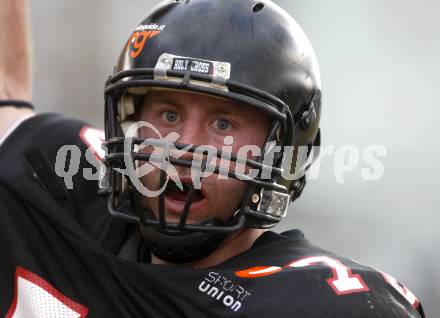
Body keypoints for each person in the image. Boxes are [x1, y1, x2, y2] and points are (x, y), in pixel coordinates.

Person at [0, 0, 425, 317]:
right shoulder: (54, 187)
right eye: (168, 114)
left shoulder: (321, 302)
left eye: (223, 124)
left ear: (282, 153)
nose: (185, 148)